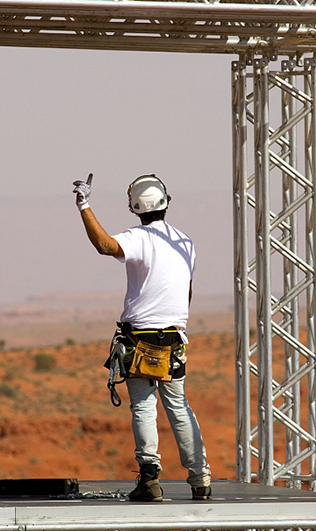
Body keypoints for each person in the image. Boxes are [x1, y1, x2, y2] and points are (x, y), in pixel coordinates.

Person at [72, 173, 211, 502]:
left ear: (135, 208)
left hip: (140, 338)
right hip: (174, 338)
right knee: (179, 406)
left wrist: (84, 205)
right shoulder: (185, 242)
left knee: (144, 409)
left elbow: (105, 245)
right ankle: (200, 478)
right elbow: (186, 291)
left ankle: (149, 481)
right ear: (166, 202)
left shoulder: (138, 238)